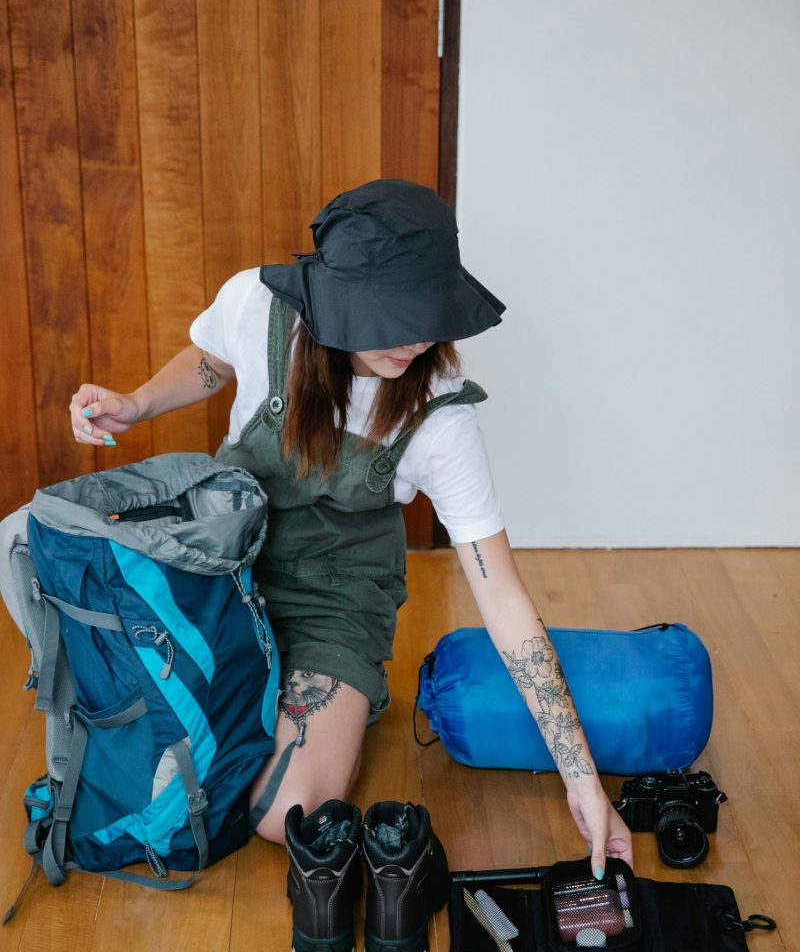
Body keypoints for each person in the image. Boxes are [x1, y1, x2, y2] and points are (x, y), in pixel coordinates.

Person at [69, 179, 633, 883]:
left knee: (283, 816)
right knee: (126, 735)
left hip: (334, 602)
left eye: (428, 313)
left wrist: (582, 783)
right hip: (222, 569)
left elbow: (506, 603)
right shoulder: (256, 303)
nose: (418, 338)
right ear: (336, 301)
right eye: (392, 316)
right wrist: (137, 402)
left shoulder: (440, 418)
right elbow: (213, 360)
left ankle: (338, 699)